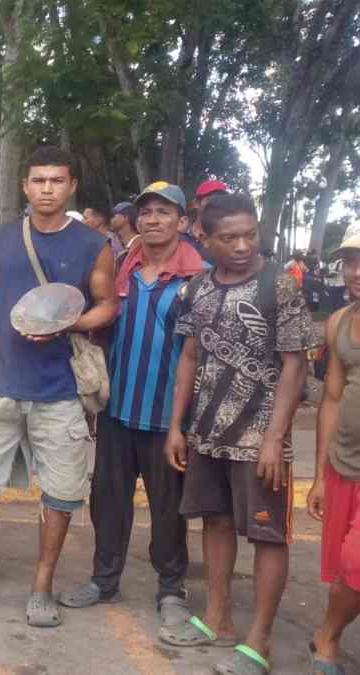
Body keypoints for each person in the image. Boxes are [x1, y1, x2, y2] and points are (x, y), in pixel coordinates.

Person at [0, 146, 119, 626]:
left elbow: (109, 305)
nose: (47, 189)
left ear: (71, 186)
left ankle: (41, 589)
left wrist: (69, 323)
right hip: (1, 383)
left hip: (60, 389)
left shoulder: (92, 244)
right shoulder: (1, 238)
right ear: (25, 186)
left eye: (56, 181)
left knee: (60, 494)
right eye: (38, 180)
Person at [160, 192, 318, 673]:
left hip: (260, 442)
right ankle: (217, 618)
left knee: (268, 536)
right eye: (229, 238)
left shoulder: (280, 287)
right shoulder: (196, 289)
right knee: (215, 522)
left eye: (250, 234)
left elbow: (295, 365)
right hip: (207, 435)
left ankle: (259, 642)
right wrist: (176, 427)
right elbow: (189, 356)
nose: (243, 245)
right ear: (203, 239)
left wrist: (274, 437)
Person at [57, 182, 204, 635]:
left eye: (164, 212)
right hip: (117, 409)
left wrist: (181, 424)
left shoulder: (198, 277)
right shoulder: (124, 267)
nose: (153, 219)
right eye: (147, 211)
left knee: (168, 507)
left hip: (167, 418)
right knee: (108, 501)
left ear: (182, 222)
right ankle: (105, 580)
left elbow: (198, 356)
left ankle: (170, 589)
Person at [307, 233, 360, 673]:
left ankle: (326, 636)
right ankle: (330, 632)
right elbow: (331, 398)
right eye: (351, 261)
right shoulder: (339, 320)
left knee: (357, 561)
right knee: (346, 567)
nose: (356, 272)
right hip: (345, 463)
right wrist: (322, 475)